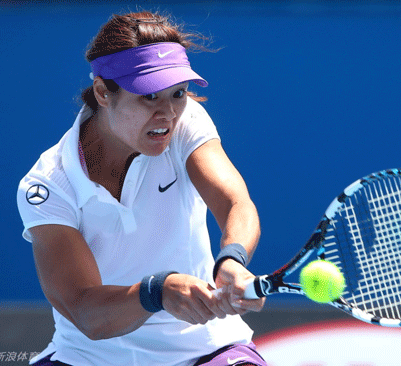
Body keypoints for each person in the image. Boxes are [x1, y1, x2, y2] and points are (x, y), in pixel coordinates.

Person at [17, 10, 267, 366]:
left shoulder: (185, 122)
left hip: (207, 350)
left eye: (179, 93)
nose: (168, 113)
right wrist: (157, 292)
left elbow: (234, 203)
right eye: (149, 97)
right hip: (86, 358)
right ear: (103, 92)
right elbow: (86, 312)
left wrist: (232, 258)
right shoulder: (48, 185)